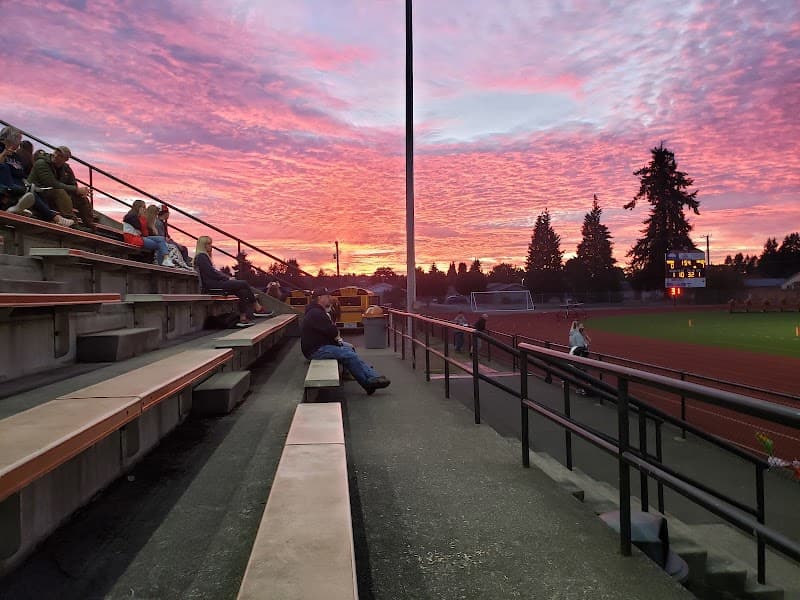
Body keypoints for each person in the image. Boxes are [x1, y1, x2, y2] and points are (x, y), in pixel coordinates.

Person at [300, 287, 390, 395]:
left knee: (349, 350)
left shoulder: (316, 311)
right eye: (327, 296)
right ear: (320, 298)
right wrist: (334, 331)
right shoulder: (316, 313)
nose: (329, 298)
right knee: (349, 355)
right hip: (315, 350)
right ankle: (367, 384)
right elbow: (333, 332)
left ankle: (374, 376)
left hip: (321, 345)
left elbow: (331, 331)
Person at [194, 235, 269, 327]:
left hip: (216, 283)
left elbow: (213, 272)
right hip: (213, 285)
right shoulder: (201, 257)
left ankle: (243, 318)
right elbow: (211, 273)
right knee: (244, 283)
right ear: (203, 245)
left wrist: (227, 279)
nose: (211, 246)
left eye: (211, 244)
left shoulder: (204, 257)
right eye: (208, 244)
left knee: (243, 291)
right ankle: (257, 306)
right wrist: (227, 279)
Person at [27, 146, 96, 231]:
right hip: (38, 193)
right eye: (55, 153)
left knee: (81, 198)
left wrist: (80, 191)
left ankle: (90, 225)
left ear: (65, 159)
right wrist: (76, 189)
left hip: (53, 195)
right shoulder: (41, 163)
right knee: (60, 192)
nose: (56, 156)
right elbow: (52, 183)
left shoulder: (66, 168)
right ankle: (72, 223)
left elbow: (73, 184)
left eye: (60, 155)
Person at [146, 205, 191, 270]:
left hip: (161, 240)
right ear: (165, 213)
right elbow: (163, 237)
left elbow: (166, 237)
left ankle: (183, 263)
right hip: (161, 241)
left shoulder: (161, 223)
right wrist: (175, 244)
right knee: (181, 248)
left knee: (181, 248)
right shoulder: (158, 223)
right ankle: (183, 264)